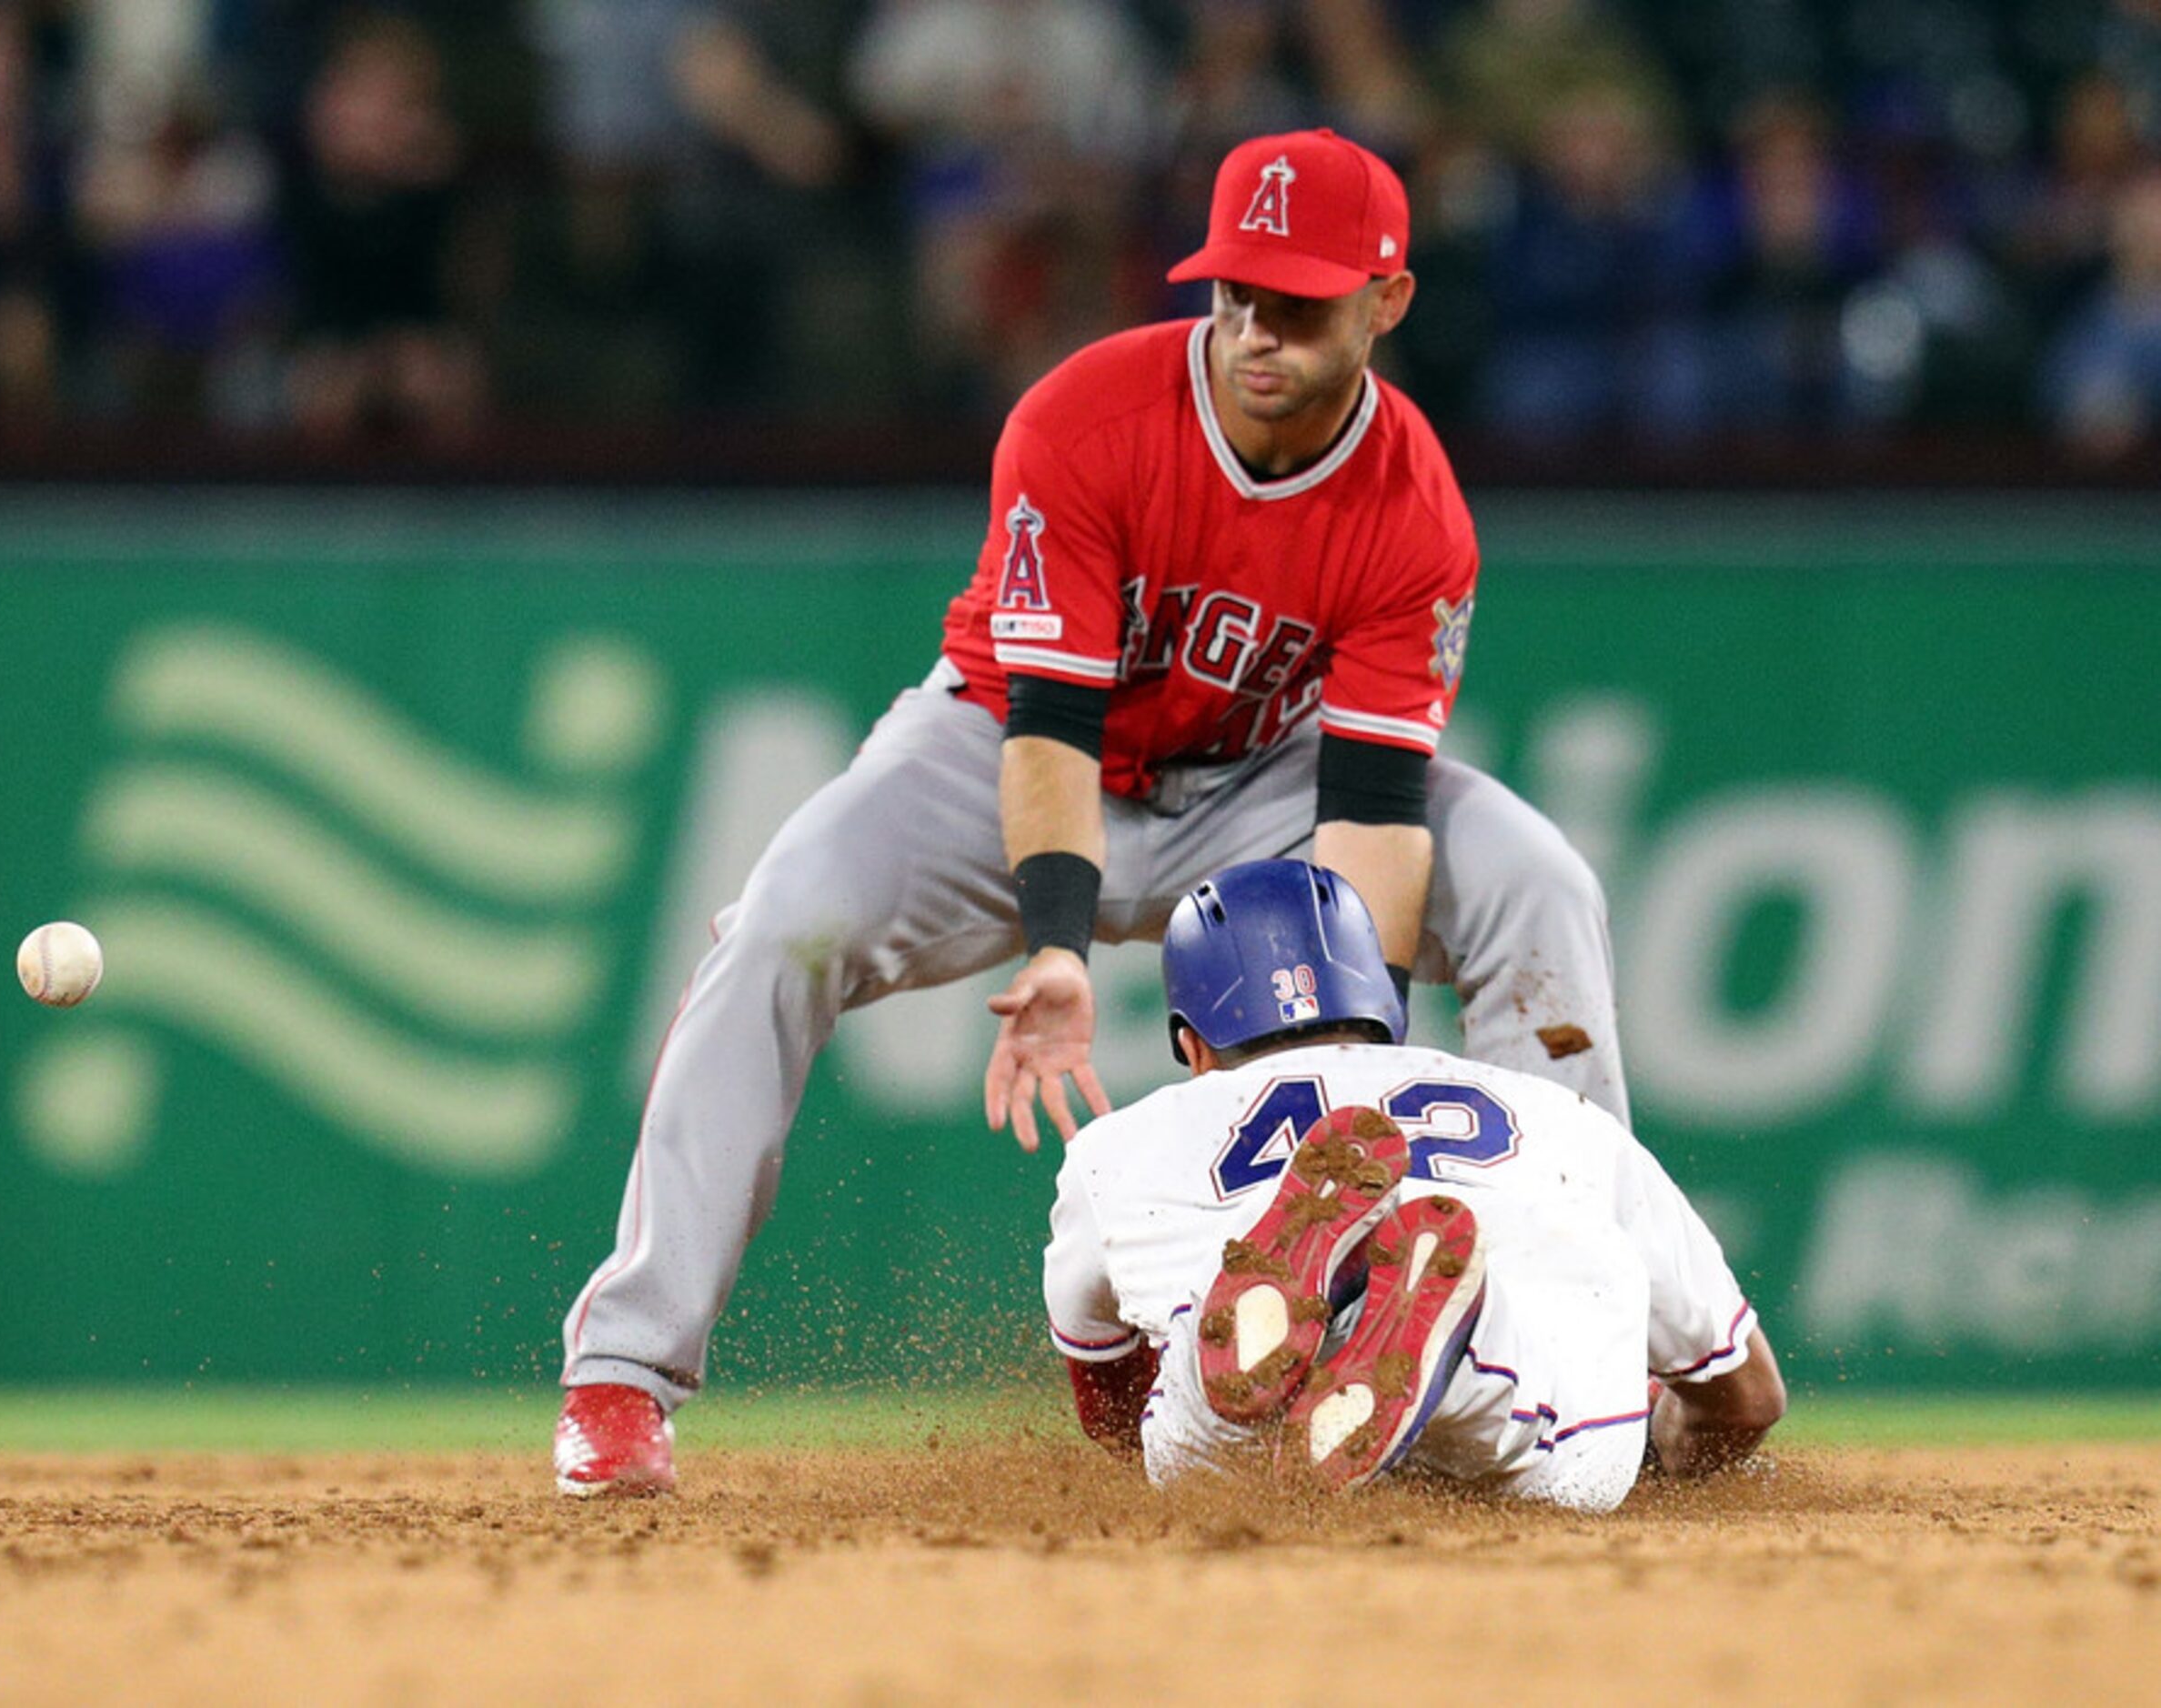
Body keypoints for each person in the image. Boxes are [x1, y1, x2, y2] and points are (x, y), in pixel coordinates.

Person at [555, 127, 1627, 1497]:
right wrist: (1055, 941)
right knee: (781, 927)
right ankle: (622, 1376)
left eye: (1295, 302)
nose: (1253, 328)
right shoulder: (1085, 417)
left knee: (1538, 882)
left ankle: (1579, 1345)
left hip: (1263, 781)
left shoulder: (1411, 503)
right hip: (997, 747)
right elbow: (1048, 725)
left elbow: (1369, 813)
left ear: (1386, 300)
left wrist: (1336, 1063)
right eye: (1234, 290)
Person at [1045, 859, 1784, 1509]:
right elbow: (1745, 1402)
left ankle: (1319, 1314)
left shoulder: (1114, 1147)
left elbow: (1108, 1405)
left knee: (1193, 1425)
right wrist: (1662, 1457)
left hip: (1238, 1449)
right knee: (1532, 1421)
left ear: (1191, 1044)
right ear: (1383, 1009)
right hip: (1521, 1429)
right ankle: (1455, 1342)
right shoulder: (1562, 1116)